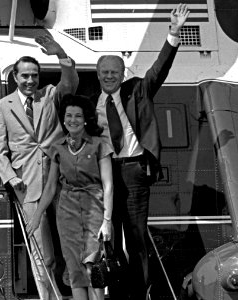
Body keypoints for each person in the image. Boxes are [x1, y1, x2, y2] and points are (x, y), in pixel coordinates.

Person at [89, 3, 190, 300]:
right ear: (97, 74)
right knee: (108, 234)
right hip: (104, 174)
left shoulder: (138, 90)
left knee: (135, 235)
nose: (110, 76)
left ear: (123, 73)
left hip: (133, 170)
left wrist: (173, 32)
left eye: (115, 72)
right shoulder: (88, 105)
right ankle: (114, 289)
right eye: (104, 72)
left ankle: (139, 290)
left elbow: (160, 69)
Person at [0, 32, 79, 300]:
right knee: (42, 253)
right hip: (27, 186)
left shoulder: (50, 95)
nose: (30, 81)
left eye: (34, 76)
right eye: (25, 76)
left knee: (72, 245)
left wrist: (60, 52)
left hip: (61, 181)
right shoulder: (1, 107)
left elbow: (71, 81)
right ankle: (48, 296)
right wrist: (10, 177)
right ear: (15, 78)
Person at [26, 94, 114, 300]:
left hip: (94, 207)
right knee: (74, 268)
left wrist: (107, 221)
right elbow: (50, 187)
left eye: (77, 116)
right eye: (68, 116)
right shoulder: (58, 148)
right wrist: (37, 215)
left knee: (92, 265)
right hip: (67, 211)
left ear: (85, 119)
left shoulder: (99, 145)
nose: (72, 120)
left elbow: (108, 185)